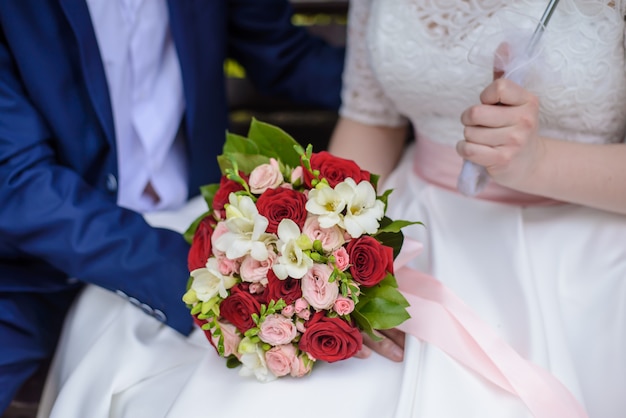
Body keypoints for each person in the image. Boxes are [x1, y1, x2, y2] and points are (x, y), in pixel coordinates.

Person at [36, 0, 626, 417]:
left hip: (582, 240)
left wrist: (536, 162)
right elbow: (371, 122)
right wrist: (328, 250)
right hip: (415, 220)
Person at [0, 0, 346, 414]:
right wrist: (195, 278)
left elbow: (282, 53)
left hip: (203, 224)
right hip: (29, 267)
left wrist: (404, 94)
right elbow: (16, 180)